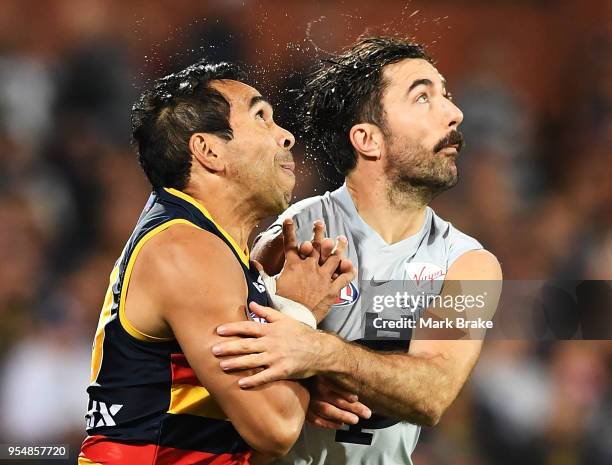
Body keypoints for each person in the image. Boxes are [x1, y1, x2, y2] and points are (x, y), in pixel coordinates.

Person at [211, 37, 503, 465]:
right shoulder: (291, 236)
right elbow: (224, 366)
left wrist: (321, 354)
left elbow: (434, 392)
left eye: (447, 95)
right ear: (368, 140)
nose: (454, 113)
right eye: (423, 96)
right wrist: (300, 389)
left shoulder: (469, 264)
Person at [78, 60, 355, 465]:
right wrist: (299, 309)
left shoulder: (209, 245)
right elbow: (274, 428)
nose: (287, 137)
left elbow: (251, 442)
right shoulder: (186, 249)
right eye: (261, 117)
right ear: (208, 150)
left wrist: (304, 379)